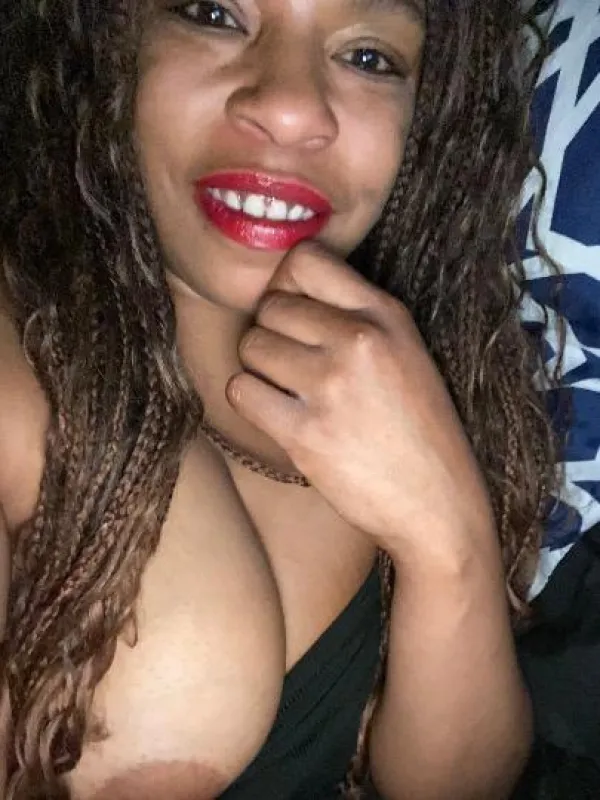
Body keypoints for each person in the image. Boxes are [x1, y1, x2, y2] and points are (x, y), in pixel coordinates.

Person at [0, 1, 559, 798]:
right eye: (213, 13)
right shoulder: (18, 367)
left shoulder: (419, 381)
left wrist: (450, 539)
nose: (291, 107)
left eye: (368, 58)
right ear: (100, 39)